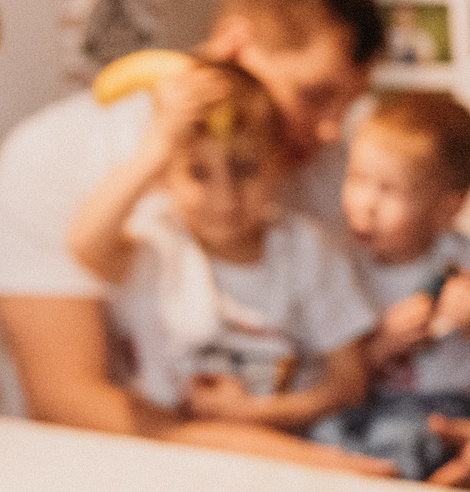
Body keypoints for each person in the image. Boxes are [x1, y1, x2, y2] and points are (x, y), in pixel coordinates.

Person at [0, 0, 385, 471]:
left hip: (322, 465)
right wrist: (300, 462)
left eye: (349, 102)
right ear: (236, 44)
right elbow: (66, 402)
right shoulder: (50, 157)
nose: (331, 131)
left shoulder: (326, 165)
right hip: (110, 484)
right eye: (315, 94)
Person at [65, 63, 372, 436]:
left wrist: (256, 414)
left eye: (244, 169)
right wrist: (159, 144)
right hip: (171, 453)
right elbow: (84, 243)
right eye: (198, 172)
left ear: (276, 165)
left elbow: (348, 385)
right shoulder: (159, 243)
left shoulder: (307, 250)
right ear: (166, 175)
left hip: (288, 450)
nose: (224, 199)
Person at [314, 91, 470, 488]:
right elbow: (331, 378)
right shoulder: (336, 263)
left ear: (447, 208)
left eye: (390, 190)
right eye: (358, 179)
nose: (365, 204)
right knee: (325, 437)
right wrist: (384, 344)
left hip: (448, 416)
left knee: (414, 444)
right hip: (362, 411)